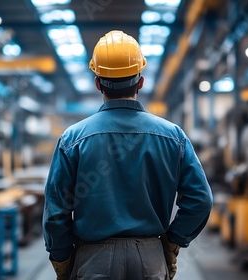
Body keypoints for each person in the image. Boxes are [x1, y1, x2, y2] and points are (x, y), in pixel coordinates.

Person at [43, 30, 213, 280]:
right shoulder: (173, 136)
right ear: (140, 82)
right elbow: (201, 200)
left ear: (97, 83)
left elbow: (56, 212)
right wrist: (172, 242)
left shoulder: (72, 139)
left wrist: (62, 258)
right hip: (150, 259)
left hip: (92, 262)